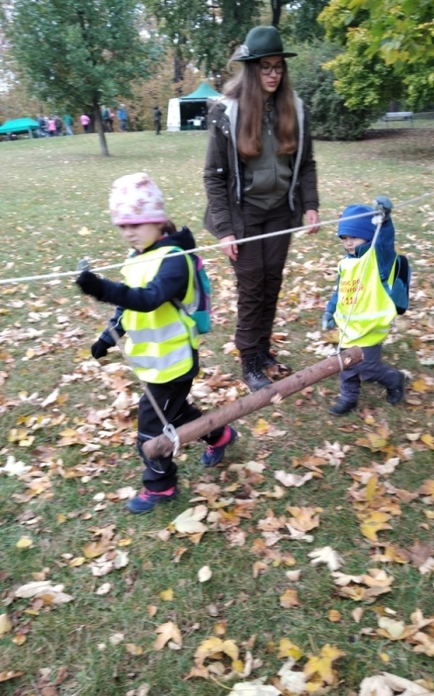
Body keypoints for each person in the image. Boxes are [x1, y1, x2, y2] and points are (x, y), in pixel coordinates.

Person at [76, 172, 237, 514]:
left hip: (175, 361)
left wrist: (101, 288)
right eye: (122, 226)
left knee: (151, 429)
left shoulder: (174, 259)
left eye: (136, 223)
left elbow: (149, 298)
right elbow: (128, 306)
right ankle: (219, 435)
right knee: (176, 413)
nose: (129, 232)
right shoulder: (136, 258)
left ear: (158, 220)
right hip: (153, 362)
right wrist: (108, 337)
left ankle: (160, 485)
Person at [204, 26, 320, 392]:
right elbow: (214, 176)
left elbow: (306, 164)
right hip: (244, 214)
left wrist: (311, 205)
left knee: (272, 282)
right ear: (252, 69)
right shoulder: (226, 112)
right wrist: (225, 229)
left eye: (278, 67)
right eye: (265, 67)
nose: (273, 74)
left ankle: (263, 350)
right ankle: (249, 360)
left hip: (281, 211)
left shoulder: (295, 109)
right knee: (252, 286)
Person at [321, 197, 406, 415]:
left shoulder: (378, 259)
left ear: (369, 235)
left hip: (370, 328)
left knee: (367, 368)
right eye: (344, 238)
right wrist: (330, 310)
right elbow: (340, 291)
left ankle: (394, 379)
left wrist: (383, 220)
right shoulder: (345, 263)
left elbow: (385, 240)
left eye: (354, 237)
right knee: (346, 365)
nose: (348, 243)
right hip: (348, 328)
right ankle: (348, 397)